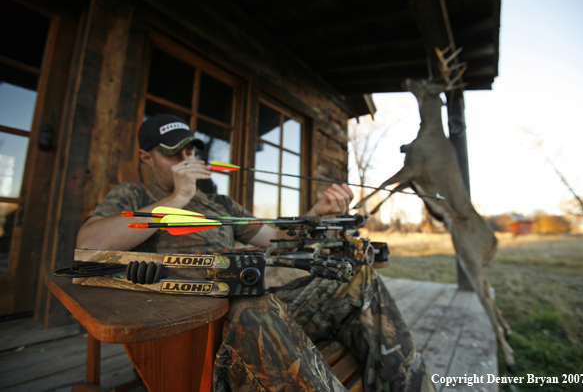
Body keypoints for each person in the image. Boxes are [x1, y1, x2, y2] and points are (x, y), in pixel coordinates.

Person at [77, 114, 436, 392]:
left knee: (356, 280)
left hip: (253, 309)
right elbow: (89, 246)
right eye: (173, 153)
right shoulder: (135, 196)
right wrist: (175, 200)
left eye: (190, 150)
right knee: (253, 303)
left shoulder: (219, 203)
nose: (187, 159)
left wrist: (317, 212)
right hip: (192, 330)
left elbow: (276, 238)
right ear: (147, 157)